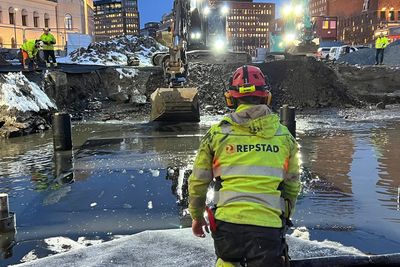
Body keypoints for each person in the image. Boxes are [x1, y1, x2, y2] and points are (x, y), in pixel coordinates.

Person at [189, 65, 301, 267]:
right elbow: (292, 187)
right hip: (268, 229)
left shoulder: (216, 135)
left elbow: (198, 182)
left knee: (227, 262)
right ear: (266, 97)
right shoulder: (285, 137)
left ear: (230, 99)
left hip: (227, 229)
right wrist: (282, 218)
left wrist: (197, 216)